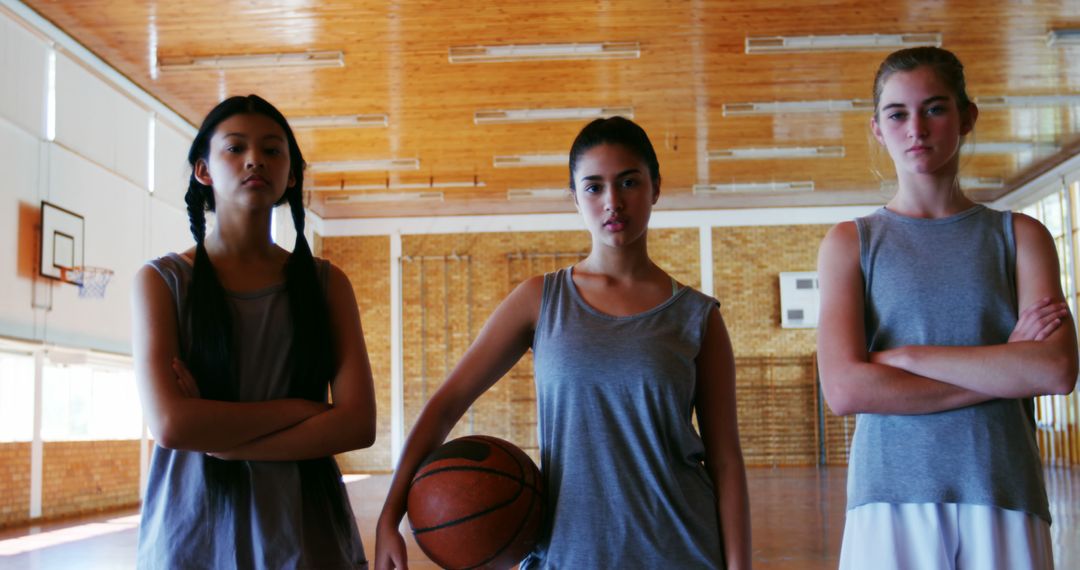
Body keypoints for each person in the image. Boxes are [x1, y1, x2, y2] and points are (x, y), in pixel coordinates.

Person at [374, 117, 751, 569]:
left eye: (629, 181)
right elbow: (447, 403)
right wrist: (388, 516)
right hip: (570, 554)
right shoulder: (540, 300)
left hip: (681, 551)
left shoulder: (697, 316)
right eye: (593, 187)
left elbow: (726, 461)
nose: (612, 200)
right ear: (575, 197)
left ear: (655, 188)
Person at [817, 46, 1078, 570]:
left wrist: (906, 357)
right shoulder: (851, 243)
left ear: (966, 116)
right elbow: (845, 389)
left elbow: (1053, 369)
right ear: (877, 128)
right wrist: (1004, 366)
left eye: (934, 108)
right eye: (897, 114)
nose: (916, 127)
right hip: (889, 495)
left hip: (1002, 487)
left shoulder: (1021, 236)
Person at [132, 94, 376, 569]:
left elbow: (357, 423)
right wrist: (302, 410)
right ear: (203, 170)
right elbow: (171, 424)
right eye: (235, 147)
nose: (254, 160)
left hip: (306, 527)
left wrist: (219, 434)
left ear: (290, 174)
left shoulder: (327, 285)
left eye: (272, 150)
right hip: (194, 528)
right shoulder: (162, 282)